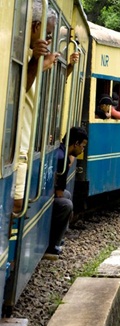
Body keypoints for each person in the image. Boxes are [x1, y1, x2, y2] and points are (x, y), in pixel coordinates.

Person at [14, 1, 61, 214]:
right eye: (48, 34)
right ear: (35, 27)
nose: (49, 40)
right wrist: (36, 60)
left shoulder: (28, 53)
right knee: (16, 206)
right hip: (17, 151)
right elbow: (17, 91)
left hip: (21, 147)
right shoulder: (22, 52)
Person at [44, 127, 88, 260]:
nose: (82, 150)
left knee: (68, 196)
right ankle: (53, 244)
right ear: (75, 143)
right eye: (82, 145)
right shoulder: (62, 158)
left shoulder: (62, 153)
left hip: (48, 192)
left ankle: (60, 237)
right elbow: (58, 193)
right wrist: (71, 212)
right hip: (47, 195)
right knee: (66, 205)